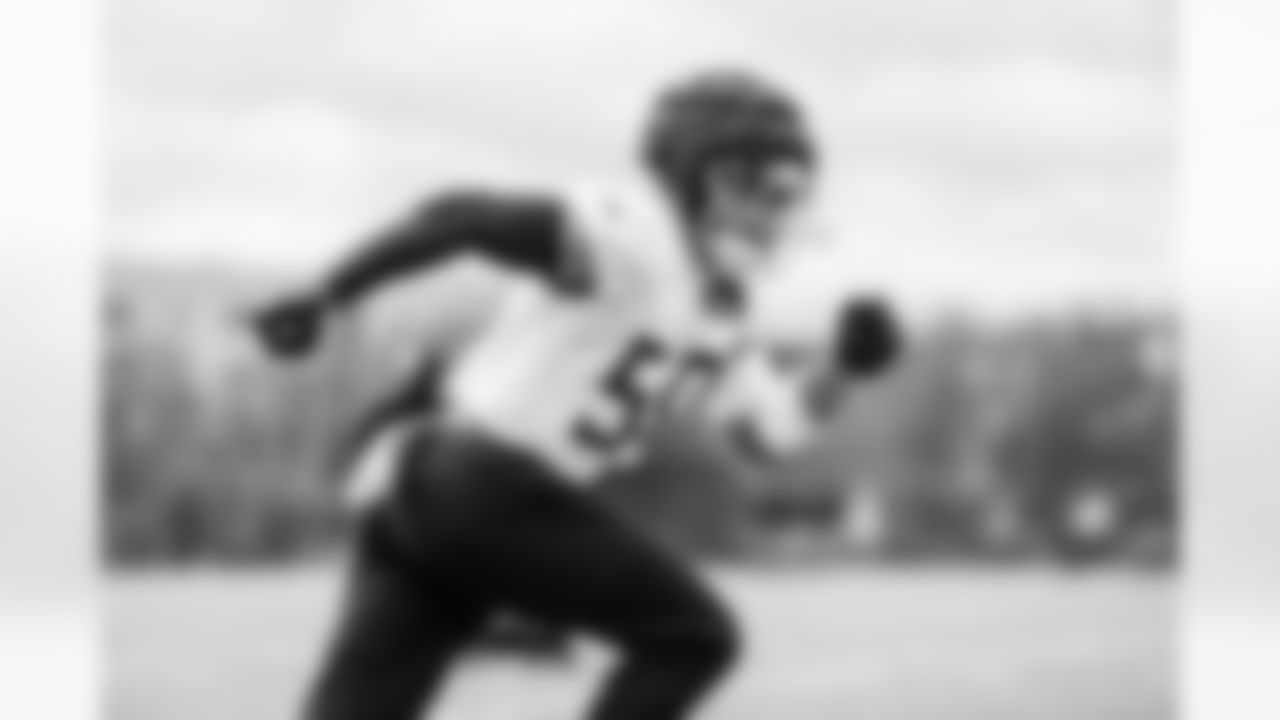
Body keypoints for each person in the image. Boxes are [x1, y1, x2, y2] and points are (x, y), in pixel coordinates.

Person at [249, 68, 900, 720]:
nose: (768, 209)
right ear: (685, 179)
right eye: (745, 182)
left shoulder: (721, 310)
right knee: (693, 639)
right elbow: (465, 217)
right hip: (481, 484)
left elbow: (768, 435)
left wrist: (843, 365)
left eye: (783, 189)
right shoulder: (638, 239)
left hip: (431, 494)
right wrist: (332, 289)